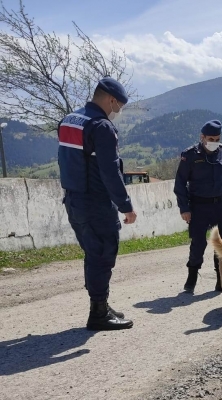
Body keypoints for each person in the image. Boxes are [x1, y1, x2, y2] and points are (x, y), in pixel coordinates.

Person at [57, 76, 136, 331]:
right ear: (111, 100)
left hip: (74, 199)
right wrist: (126, 205)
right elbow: (110, 171)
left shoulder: (70, 119)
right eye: (119, 106)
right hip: (96, 203)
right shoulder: (101, 126)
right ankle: (98, 314)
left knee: (93, 253)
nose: (118, 111)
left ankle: (100, 304)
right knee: (103, 254)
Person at [174, 120, 222, 294]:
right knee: (198, 244)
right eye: (211, 138)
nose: (214, 141)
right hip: (198, 207)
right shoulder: (190, 155)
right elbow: (180, 183)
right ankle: (192, 278)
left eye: (217, 138)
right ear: (202, 137)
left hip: (219, 206)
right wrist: (184, 208)